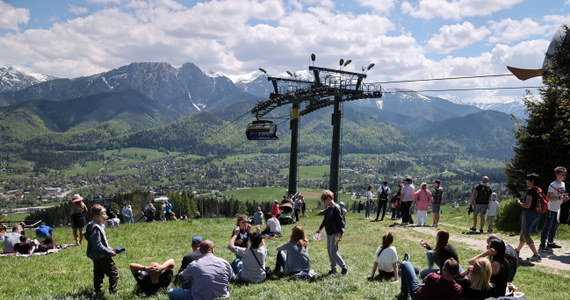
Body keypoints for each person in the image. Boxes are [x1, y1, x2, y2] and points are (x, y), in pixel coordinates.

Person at [168, 240, 235, 300]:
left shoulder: (194, 265)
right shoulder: (224, 262)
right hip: (221, 297)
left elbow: (181, 277)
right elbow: (232, 278)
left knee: (172, 291)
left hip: (198, 297)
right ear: (212, 250)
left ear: (200, 250)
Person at [84, 204, 119, 294]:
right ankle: (113, 291)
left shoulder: (94, 225)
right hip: (102, 255)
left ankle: (98, 291)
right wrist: (108, 251)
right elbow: (97, 244)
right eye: (103, 214)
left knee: (98, 274)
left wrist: (108, 247)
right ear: (96, 216)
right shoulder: (95, 228)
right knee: (114, 273)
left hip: (96, 256)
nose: (106, 216)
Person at [396, 258, 462, 300]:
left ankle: (404, 294)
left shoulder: (433, 277)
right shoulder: (457, 288)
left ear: (444, 270)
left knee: (406, 264)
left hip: (418, 296)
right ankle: (403, 294)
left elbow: (424, 280)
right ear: (456, 273)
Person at [316, 190, 348, 275]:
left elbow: (341, 222)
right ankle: (333, 269)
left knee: (333, 252)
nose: (323, 202)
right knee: (330, 252)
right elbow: (325, 220)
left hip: (336, 234)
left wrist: (341, 234)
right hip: (329, 234)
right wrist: (320, 228)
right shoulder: (328, 208)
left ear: (329, 198)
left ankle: (344, 267)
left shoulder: (336, 208)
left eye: (324, 200)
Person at [540, 166, 568, 251]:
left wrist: (565, 197)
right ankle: (542, 243)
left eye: (565, 174)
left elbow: (561, 195)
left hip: (559, 209)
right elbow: (548, 197)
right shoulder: (553, 185)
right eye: (563, 174)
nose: (564, 176)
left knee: (554, 227)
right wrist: (560, 198)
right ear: (557, 175)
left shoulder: (563, 184)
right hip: (551, 209)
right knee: (547, 226)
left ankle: (550, 243)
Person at [515, 173, 542, 262]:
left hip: (528, 214)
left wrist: (519, 203)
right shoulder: (538, 190)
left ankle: (536, 255)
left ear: (532, 181)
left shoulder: (531, 191)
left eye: (527, 180)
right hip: (535, 214)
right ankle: (517, 251)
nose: (526, 181)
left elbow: (527, 205)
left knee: (526, 234)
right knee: (523, 233)